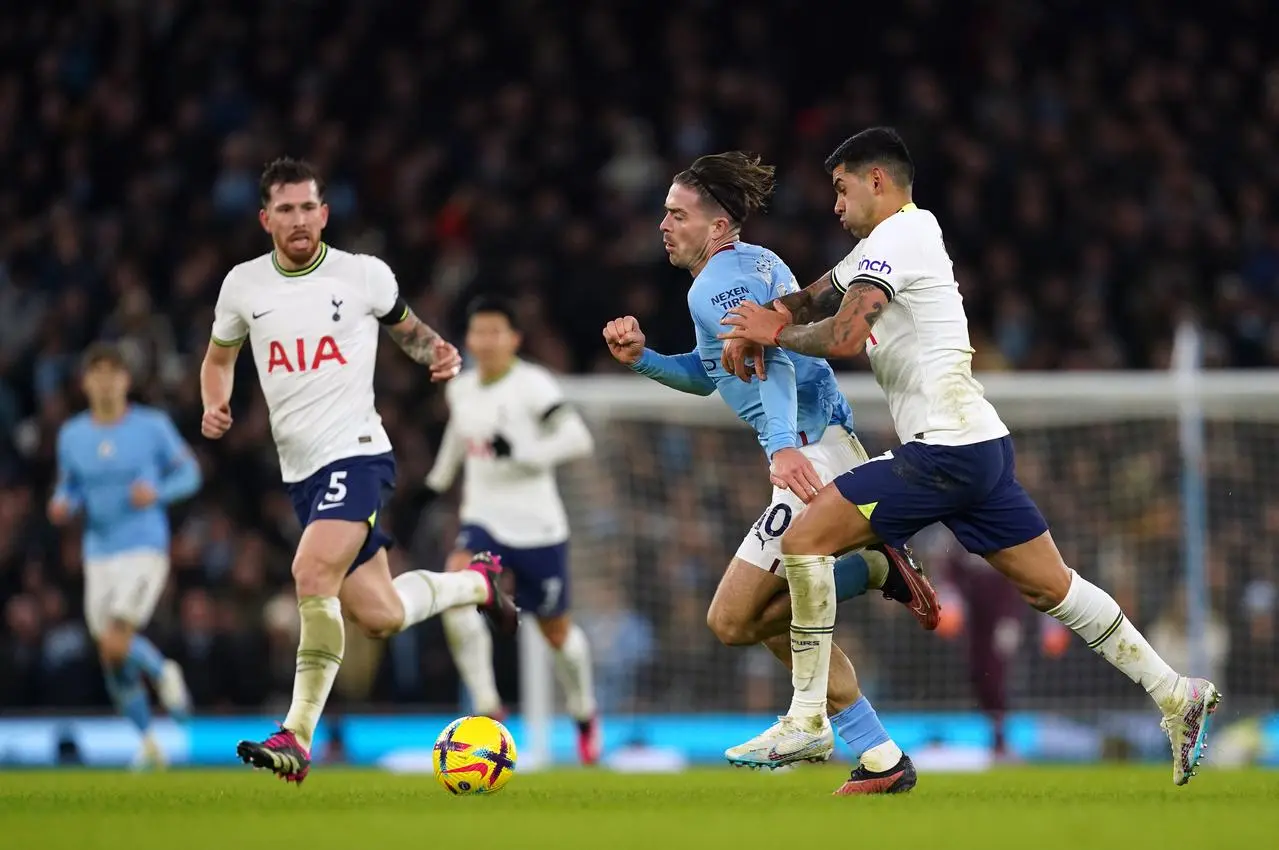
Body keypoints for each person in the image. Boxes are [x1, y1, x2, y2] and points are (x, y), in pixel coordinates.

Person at [719, 127, 1220, 788]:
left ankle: (809, 718)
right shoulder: (890, 241)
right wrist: (760, 314)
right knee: (1053, 587)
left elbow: (843, 333)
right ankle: (1174, 693)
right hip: (978, 445)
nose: (833, 206)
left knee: (804, 540)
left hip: (942, 449)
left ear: (877, 181)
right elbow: (816, 294)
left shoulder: (898, 238)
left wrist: (774, 331)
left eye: (841, 190)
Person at [603, 152, 940, 795]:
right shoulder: (747, 265)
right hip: (829, 444)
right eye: (665, 214)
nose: (664, 226)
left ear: (719, 223)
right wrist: (644, 358)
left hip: (810, 453)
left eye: (678, 215)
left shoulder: (718, 282)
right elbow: (712, 375)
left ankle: (869, 574)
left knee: (730, 620)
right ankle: (880, 757)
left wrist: (782, 448)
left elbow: (773, 359)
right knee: (758, 621)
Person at [201, 157, 519, 784]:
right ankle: (476, 586)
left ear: (324, 212)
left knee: (308, 570)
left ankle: (295, 734)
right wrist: (215, 399)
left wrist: (439, 353)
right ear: (266, 219)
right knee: (380, 614)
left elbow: (411, 330)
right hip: (302, 476)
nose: (299, 219)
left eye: (308, 207)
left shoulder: (362, 275)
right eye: (285, 209)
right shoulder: (243, 286)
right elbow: (218, 359)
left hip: (358, 452)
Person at [422, 294, 601, 764]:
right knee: (456, 591)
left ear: (514, 338)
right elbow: (458, 435)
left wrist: (521, 452)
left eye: (495, 332)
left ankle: (583, 711)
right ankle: (487, 706)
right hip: (483, 520)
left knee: (557, 634)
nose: (485, 341)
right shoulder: (460, 389)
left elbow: (577, 439)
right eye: (477, 332)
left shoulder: (533, 385)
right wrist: (437, 480)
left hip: (538, 527)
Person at [48, 342, 201, 769]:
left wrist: (159, 492)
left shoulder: (152, 427)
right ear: (85, 383)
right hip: (98, 552)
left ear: (126, 381)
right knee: (112, 657)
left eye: (113, 372)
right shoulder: (73, 435)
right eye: (97, 373)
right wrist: (63, 502)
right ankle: (149, 743)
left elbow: (190, 473)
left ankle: (164, 671)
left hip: (144, 547)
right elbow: (70, 485)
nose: (105, 381)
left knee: (117, 640)